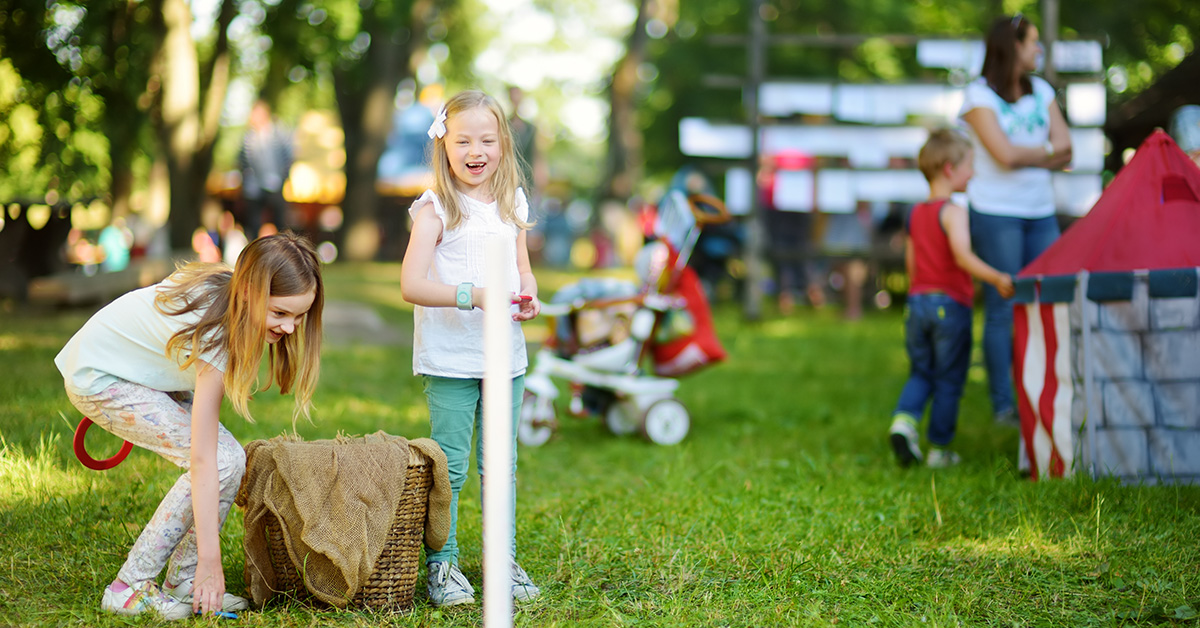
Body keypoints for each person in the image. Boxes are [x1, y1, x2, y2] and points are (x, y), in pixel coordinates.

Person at [54, 232, 324, 618]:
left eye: (300, 316)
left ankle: (183, 581)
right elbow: (201, 460)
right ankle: (128, 586)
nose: (291, 328)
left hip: (139, 373)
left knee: (229, 459)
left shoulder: (230, 298)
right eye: (280, 313)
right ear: (248, 290)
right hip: (100, 377)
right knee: (219, 462)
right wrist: (211, 562)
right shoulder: (217, 332)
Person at [400, 90, 542, 607]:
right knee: (453, 466)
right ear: (444, 145)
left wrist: (528, 293)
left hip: (505, 358)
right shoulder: (436, 207)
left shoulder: (513, 202)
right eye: (462, 140)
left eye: (486, 139)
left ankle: (499, 557)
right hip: (451, 360)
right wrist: (474, 296)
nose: (475, 150)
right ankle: (444, 563)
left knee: (500, 464)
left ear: (503, 143)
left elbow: (522, 266)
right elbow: (411, 284)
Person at [958, 14, 1072, 426]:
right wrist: (1044, 154)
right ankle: (1003, 404)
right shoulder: (977, 97)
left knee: (1047, 298)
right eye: (1032, 42)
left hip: (1040, 213)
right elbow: (1005, 156)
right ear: (1012, 46)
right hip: (995, 213)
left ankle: (1044, 390)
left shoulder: (1041, 89)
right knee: (1003, 304)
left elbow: (1068, 148)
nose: (1039, 50)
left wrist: (1025, 154)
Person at [887, 129, 1015, 469]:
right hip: (950, 306)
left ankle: (904, 421)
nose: (972, 173)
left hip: (918, 304)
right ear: (949, 169)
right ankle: (940, 450)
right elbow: (962, 257)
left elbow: (912, 265)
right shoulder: (954, 211)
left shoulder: (915, 213)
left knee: (920, 372)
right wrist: (997, 277)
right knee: (949, 379)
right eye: (969, 165)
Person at [238, 99, 295, 239]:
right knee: (254, 222)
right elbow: (242, 160)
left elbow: (289, 155)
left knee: (281, 220)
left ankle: (284, 249)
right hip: (254, 187)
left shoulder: (277, 133)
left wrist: (282, 177)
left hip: (274, 183)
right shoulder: (248, 137)